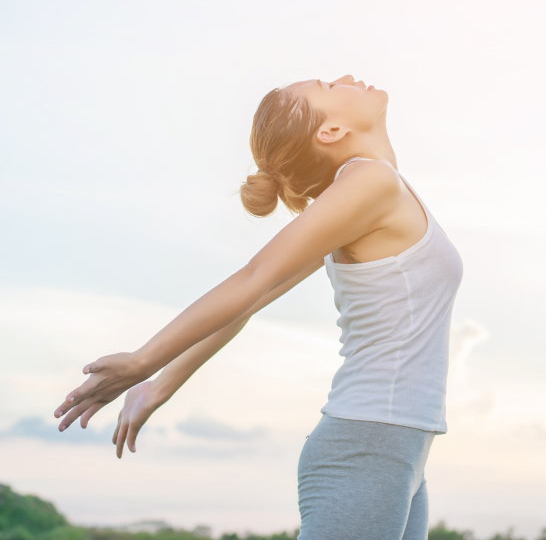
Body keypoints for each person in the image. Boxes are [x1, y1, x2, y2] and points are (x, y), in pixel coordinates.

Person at [54, 75, 463, 540]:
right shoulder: (371, 182)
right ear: (329, 132)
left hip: (398, 450)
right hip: (366, 447)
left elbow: (251, 302)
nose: (347, 78)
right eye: (329, 86)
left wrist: (159, 385)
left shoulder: (368, 195)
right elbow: (254, 279)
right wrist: (145, 361)